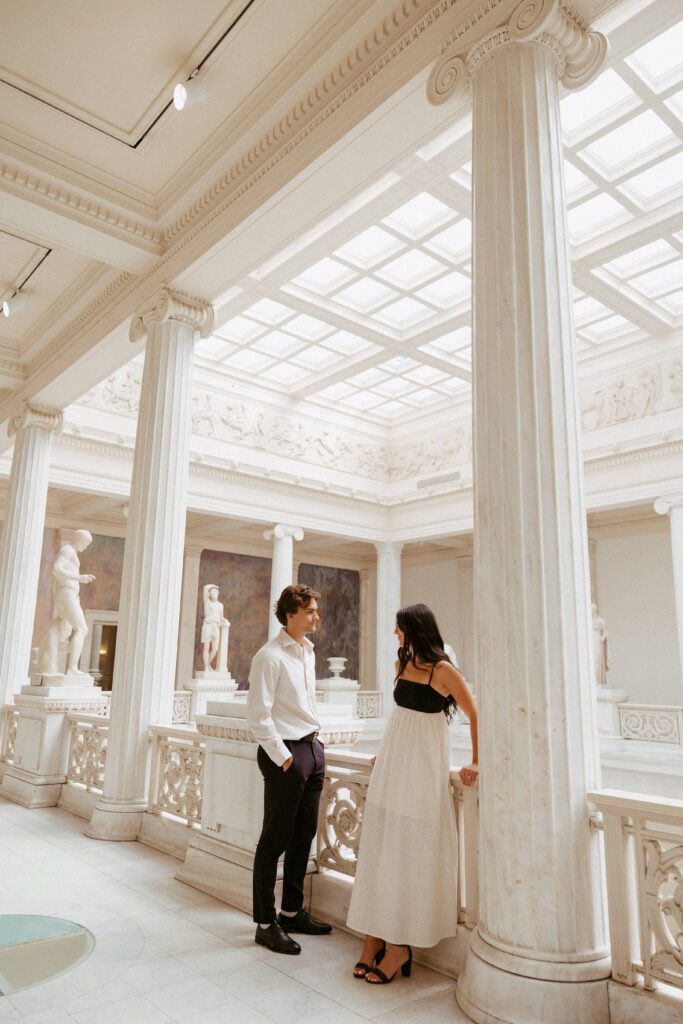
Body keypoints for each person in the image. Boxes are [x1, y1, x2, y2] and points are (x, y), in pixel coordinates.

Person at [347, 603, 478, 985]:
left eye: (399, 627)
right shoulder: (400, 665)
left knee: (410, 854)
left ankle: (400, 947)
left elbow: (475, 713)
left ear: (415, 629)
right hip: (393, 767)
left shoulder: (444, 671)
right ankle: (373, 939)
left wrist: (476, 761)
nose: (395, 634)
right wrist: (386, 751)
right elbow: (399, 718)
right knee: (382, 848)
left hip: (423, 772)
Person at [247, 583, 333, 955]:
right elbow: (258, 715)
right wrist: (284, 756)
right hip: (286, 754)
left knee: (304, 836)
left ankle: (292, 910)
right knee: (274, 841)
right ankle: (266, 924)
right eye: (310, 611)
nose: (316, 616)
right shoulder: (269, 656)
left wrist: (315, 748)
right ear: (290, 614)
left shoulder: (307, 651)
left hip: (311, 749)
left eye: (315, 610)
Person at [37, 530, 96, 676]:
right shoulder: (68, 550)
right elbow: (57, 569)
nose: (86, 546)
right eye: (86, 543)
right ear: (78, 539)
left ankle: (48, 659)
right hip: (66, 593)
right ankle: (72, 668)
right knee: (82, 629)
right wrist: (78, 578)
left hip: (69, 594)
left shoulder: (71, 551)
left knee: (62, 628)